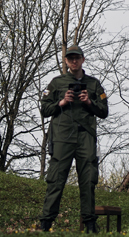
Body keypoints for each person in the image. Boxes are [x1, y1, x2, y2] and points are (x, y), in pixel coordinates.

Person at [39, 45, 109, 233]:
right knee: (56, 179)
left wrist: (89, 102)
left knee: (88, 179)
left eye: (77, 58)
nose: (74, 61)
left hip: (85, 135)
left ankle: (90, 223)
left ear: (83, 59)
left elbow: (104, 111)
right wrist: (61, 102)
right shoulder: (56, 83)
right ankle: (46, 223)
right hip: (62, 136)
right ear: (66, 61)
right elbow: (44, 109)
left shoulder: (93, 84)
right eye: (70, 58)